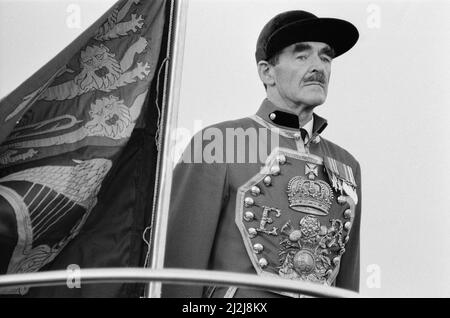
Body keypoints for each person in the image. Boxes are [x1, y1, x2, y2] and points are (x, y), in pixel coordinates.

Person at [163, 10, 362, 298]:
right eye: (302, 55)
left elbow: (346, 285)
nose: (318, 66)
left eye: (326, 57)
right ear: (267, 72)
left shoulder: (346, 165)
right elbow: (177, 273)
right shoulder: (218, 142)